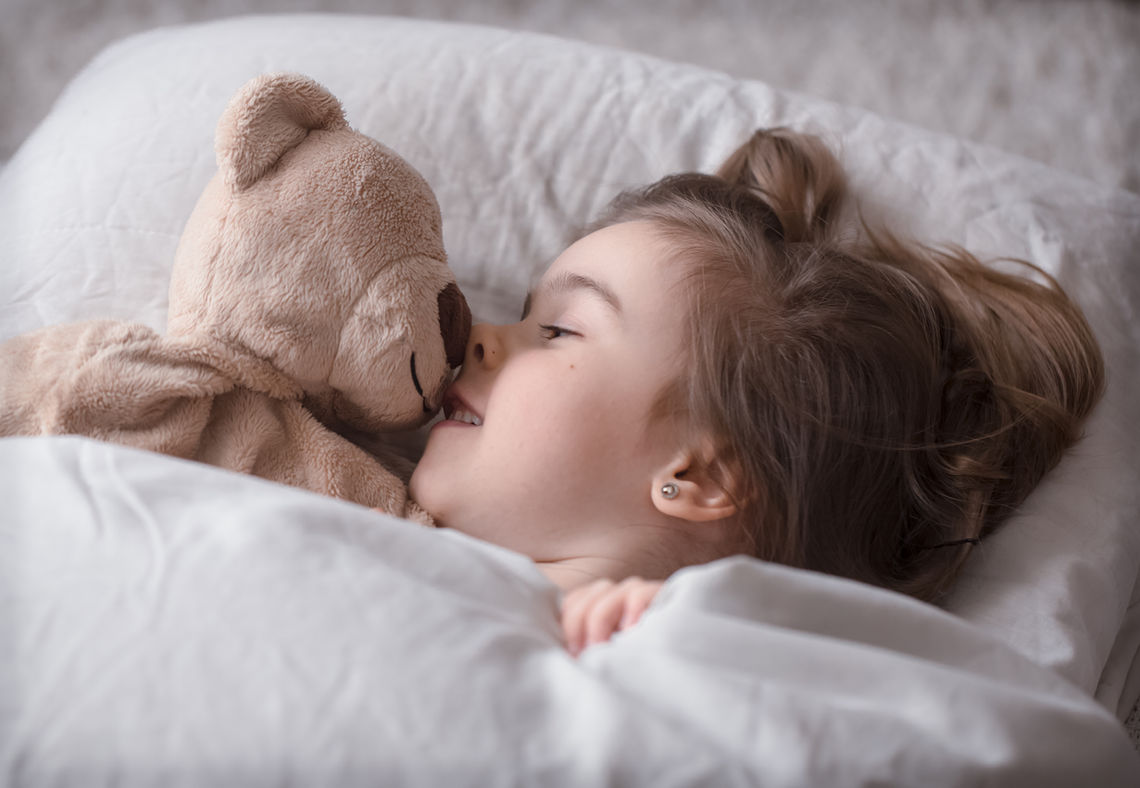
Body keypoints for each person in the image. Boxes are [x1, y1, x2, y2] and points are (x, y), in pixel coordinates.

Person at [407, 128, 1105, 657]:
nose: (482, 334)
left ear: (698, 473)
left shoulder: (694, 668)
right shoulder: (346, 493)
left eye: (557, 330)